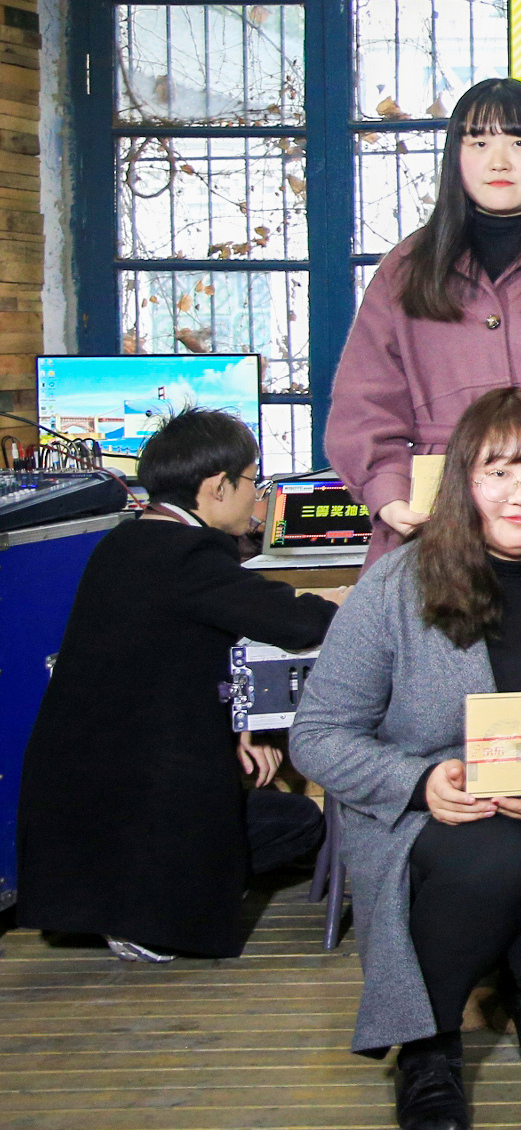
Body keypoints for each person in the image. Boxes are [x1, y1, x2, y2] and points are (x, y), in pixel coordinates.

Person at [291, 389, 521, 1130]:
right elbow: (318, 735)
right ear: (464, 480)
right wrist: (418, 783)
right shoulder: (396, 584)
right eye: (498, 471)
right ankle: (428, 1047)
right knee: (495, 858)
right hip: (428, 821)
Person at [17, 409, 333, 962]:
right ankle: (137, 913)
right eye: (252, 480)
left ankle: (111, 899)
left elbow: (190, 653)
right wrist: (366, 604)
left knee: (293, 821)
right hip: (138, 802)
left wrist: (245, 725)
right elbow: (296, 621)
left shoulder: (130, 542)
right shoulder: (185, 555)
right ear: (216, 487)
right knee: (298, 823)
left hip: (84, 808)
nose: (257, 495)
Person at [330, 77, 521, 564]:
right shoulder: (406, 269)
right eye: (479, 143)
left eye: (519, 142)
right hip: (432, 518)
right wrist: (389, 491)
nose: (498, 161)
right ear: (455, 156)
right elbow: (364, 402)